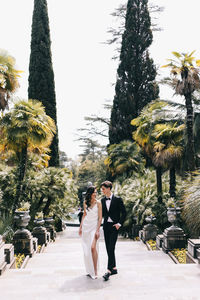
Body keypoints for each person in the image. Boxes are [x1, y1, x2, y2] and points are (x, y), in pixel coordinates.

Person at [101, 180, 126, 281]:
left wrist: (119, 224)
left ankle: (109, 271)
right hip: (106, 227)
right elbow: (101, 214)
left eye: (103, 189)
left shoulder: (118, 199)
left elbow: (124, 213)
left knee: (111, 248)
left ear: (108, 189)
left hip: (114, 227)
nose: (102, 191)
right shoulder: (102, 201)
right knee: (108, 248)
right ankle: (114, 268)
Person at [79, 186, 102, 279]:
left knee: (93, 248)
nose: (95, 194)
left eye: (96, 192)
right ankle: (89, 270)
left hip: (94, 227)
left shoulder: (99, 203)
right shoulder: (85, 203)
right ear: (90, 193)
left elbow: (100, 218)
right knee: (87, 250)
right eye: (94, 192)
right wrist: (80, 227)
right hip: (86, 227)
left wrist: (98, 230)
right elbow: (84, 215)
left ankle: (95, 271)